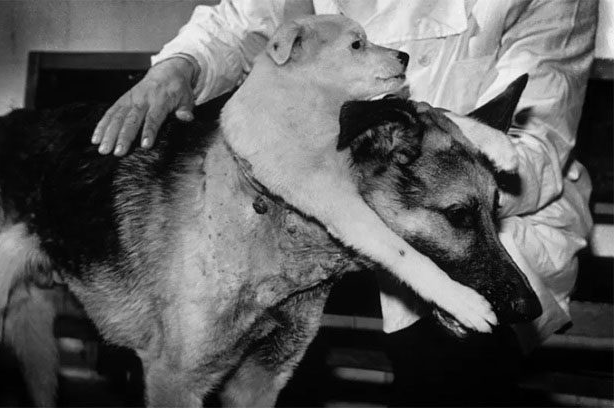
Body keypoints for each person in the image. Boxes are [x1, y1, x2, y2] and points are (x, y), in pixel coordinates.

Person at [92, 0, 597, 405]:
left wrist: (424, 144)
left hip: (488, 216)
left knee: (451, 364)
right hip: (301, 221)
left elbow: (536, 154)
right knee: (203, 342)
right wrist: (179, 67)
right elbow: (235, 22)